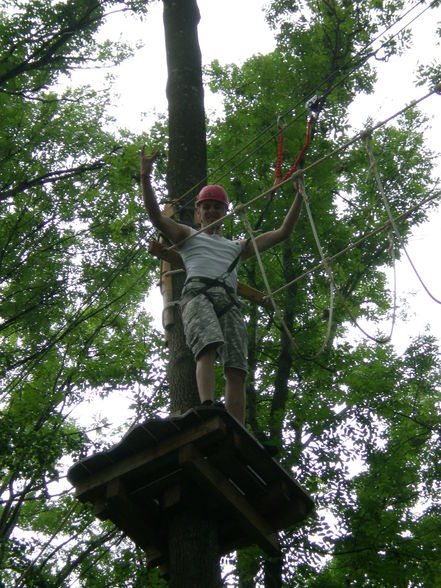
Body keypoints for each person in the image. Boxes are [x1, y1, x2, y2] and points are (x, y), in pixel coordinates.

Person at [140, 146, 303, 425]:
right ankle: (206, 405)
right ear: (198, 212)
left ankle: (236, 426)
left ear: (225, 212)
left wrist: (299, 196)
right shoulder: (187, 235)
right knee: (207, 345)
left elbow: (282, 233)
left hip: (228, 300)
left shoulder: (236, 246)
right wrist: (145, 177)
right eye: (207, 207)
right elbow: (156, 216)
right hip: (198, 294)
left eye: (217, 207)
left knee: (237, 366)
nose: (212, 211)